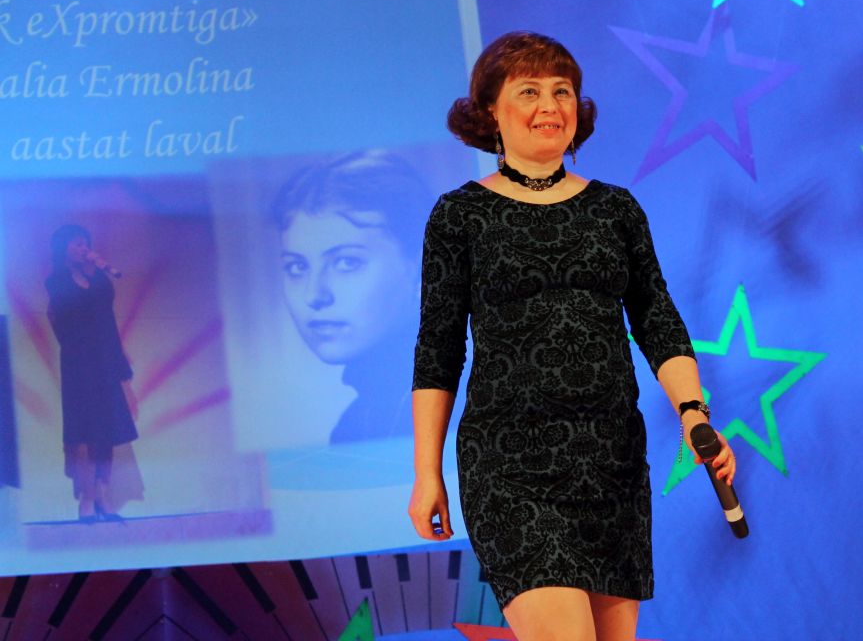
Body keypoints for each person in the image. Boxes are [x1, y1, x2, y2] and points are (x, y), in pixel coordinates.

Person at [409, 32, 735, 641]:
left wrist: (695, 413)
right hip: (509, 467)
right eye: (528, 91)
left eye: (562, 91)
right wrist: (428, 472)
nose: (550, 106)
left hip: (611, 464)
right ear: (490, 111)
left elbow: (657, 319)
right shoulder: (459, 215)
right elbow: (438, 350)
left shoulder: (616, 209)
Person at [273, 149, 427, 444]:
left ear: (421, 269)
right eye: (297, 267)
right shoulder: (357, 421)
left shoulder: (465, 398)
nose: (314, 295)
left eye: (347, 262)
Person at [45, 224, 138, 522]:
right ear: (63, 249)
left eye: (85, 242)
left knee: (107, 430)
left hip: (105, 360)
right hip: (78, 363)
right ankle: (86, 499)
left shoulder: (97, 280)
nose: (82, 247)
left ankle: (103, 496)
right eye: (76, 243)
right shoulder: (56, 281)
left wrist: (98, 266)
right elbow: (59, 316)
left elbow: (107, 311)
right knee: (84, 432)